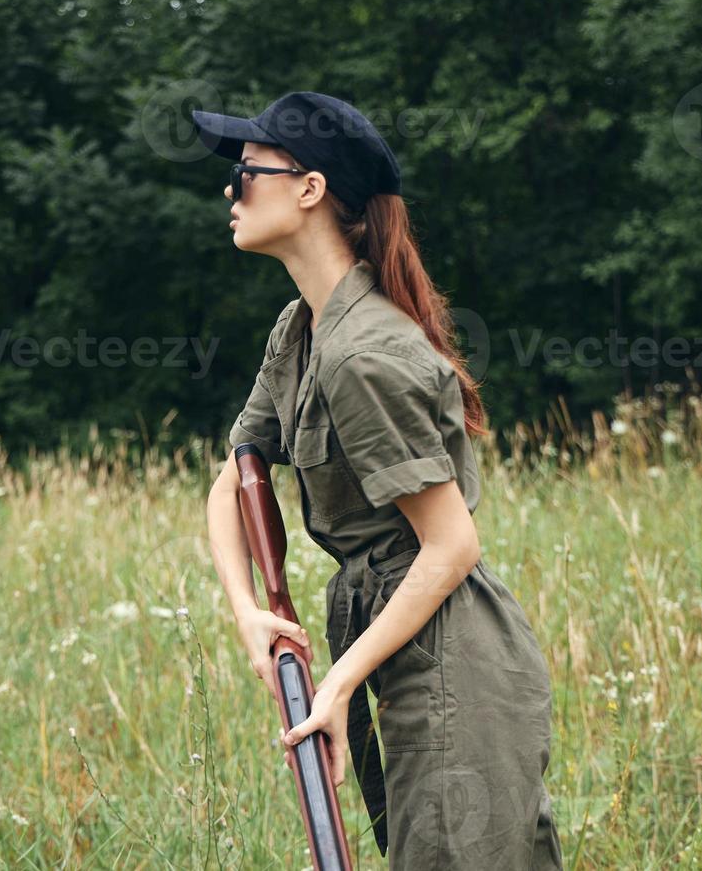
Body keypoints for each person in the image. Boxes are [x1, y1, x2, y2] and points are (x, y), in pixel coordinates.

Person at [198, 92, 564, 869]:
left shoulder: (361, 353)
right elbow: (238, 474)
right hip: (388, 638)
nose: (230, 190)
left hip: (451, 656)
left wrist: (336, 685)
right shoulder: (301, 327)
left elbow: (450, 544)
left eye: (248, 173)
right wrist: (249, 614)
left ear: (310, 189)